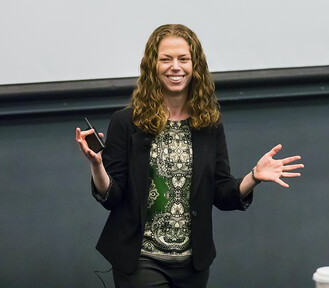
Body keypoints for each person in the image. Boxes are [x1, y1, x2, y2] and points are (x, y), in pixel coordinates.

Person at [75, 24, 303, 288]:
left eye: (183, 59)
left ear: (195, 66)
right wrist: (97, 166)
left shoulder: (209, 124)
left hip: (193, 265)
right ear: (152, 65)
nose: (175, 67)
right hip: (140, 260)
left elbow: (222, 193)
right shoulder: (127, 122)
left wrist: (254, 176)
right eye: (166, 59)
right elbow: (111, 196)